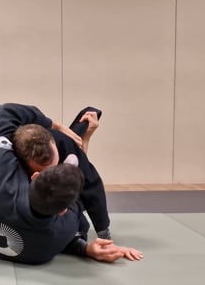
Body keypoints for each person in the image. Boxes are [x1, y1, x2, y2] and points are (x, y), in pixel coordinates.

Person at [0, 103, 125, 264]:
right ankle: (71, 143)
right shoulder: (56, 239)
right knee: (63, 152)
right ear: (64, 210)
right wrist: (85, 248)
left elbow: (4, 111)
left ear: (34, 178)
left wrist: (57, 128)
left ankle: (69, 144)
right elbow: (73, 197)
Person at [13, 108, 143, 261]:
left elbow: (91, 186)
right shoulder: (10, 154)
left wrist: (104, 236)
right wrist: (59, 126)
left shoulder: (65, 146)